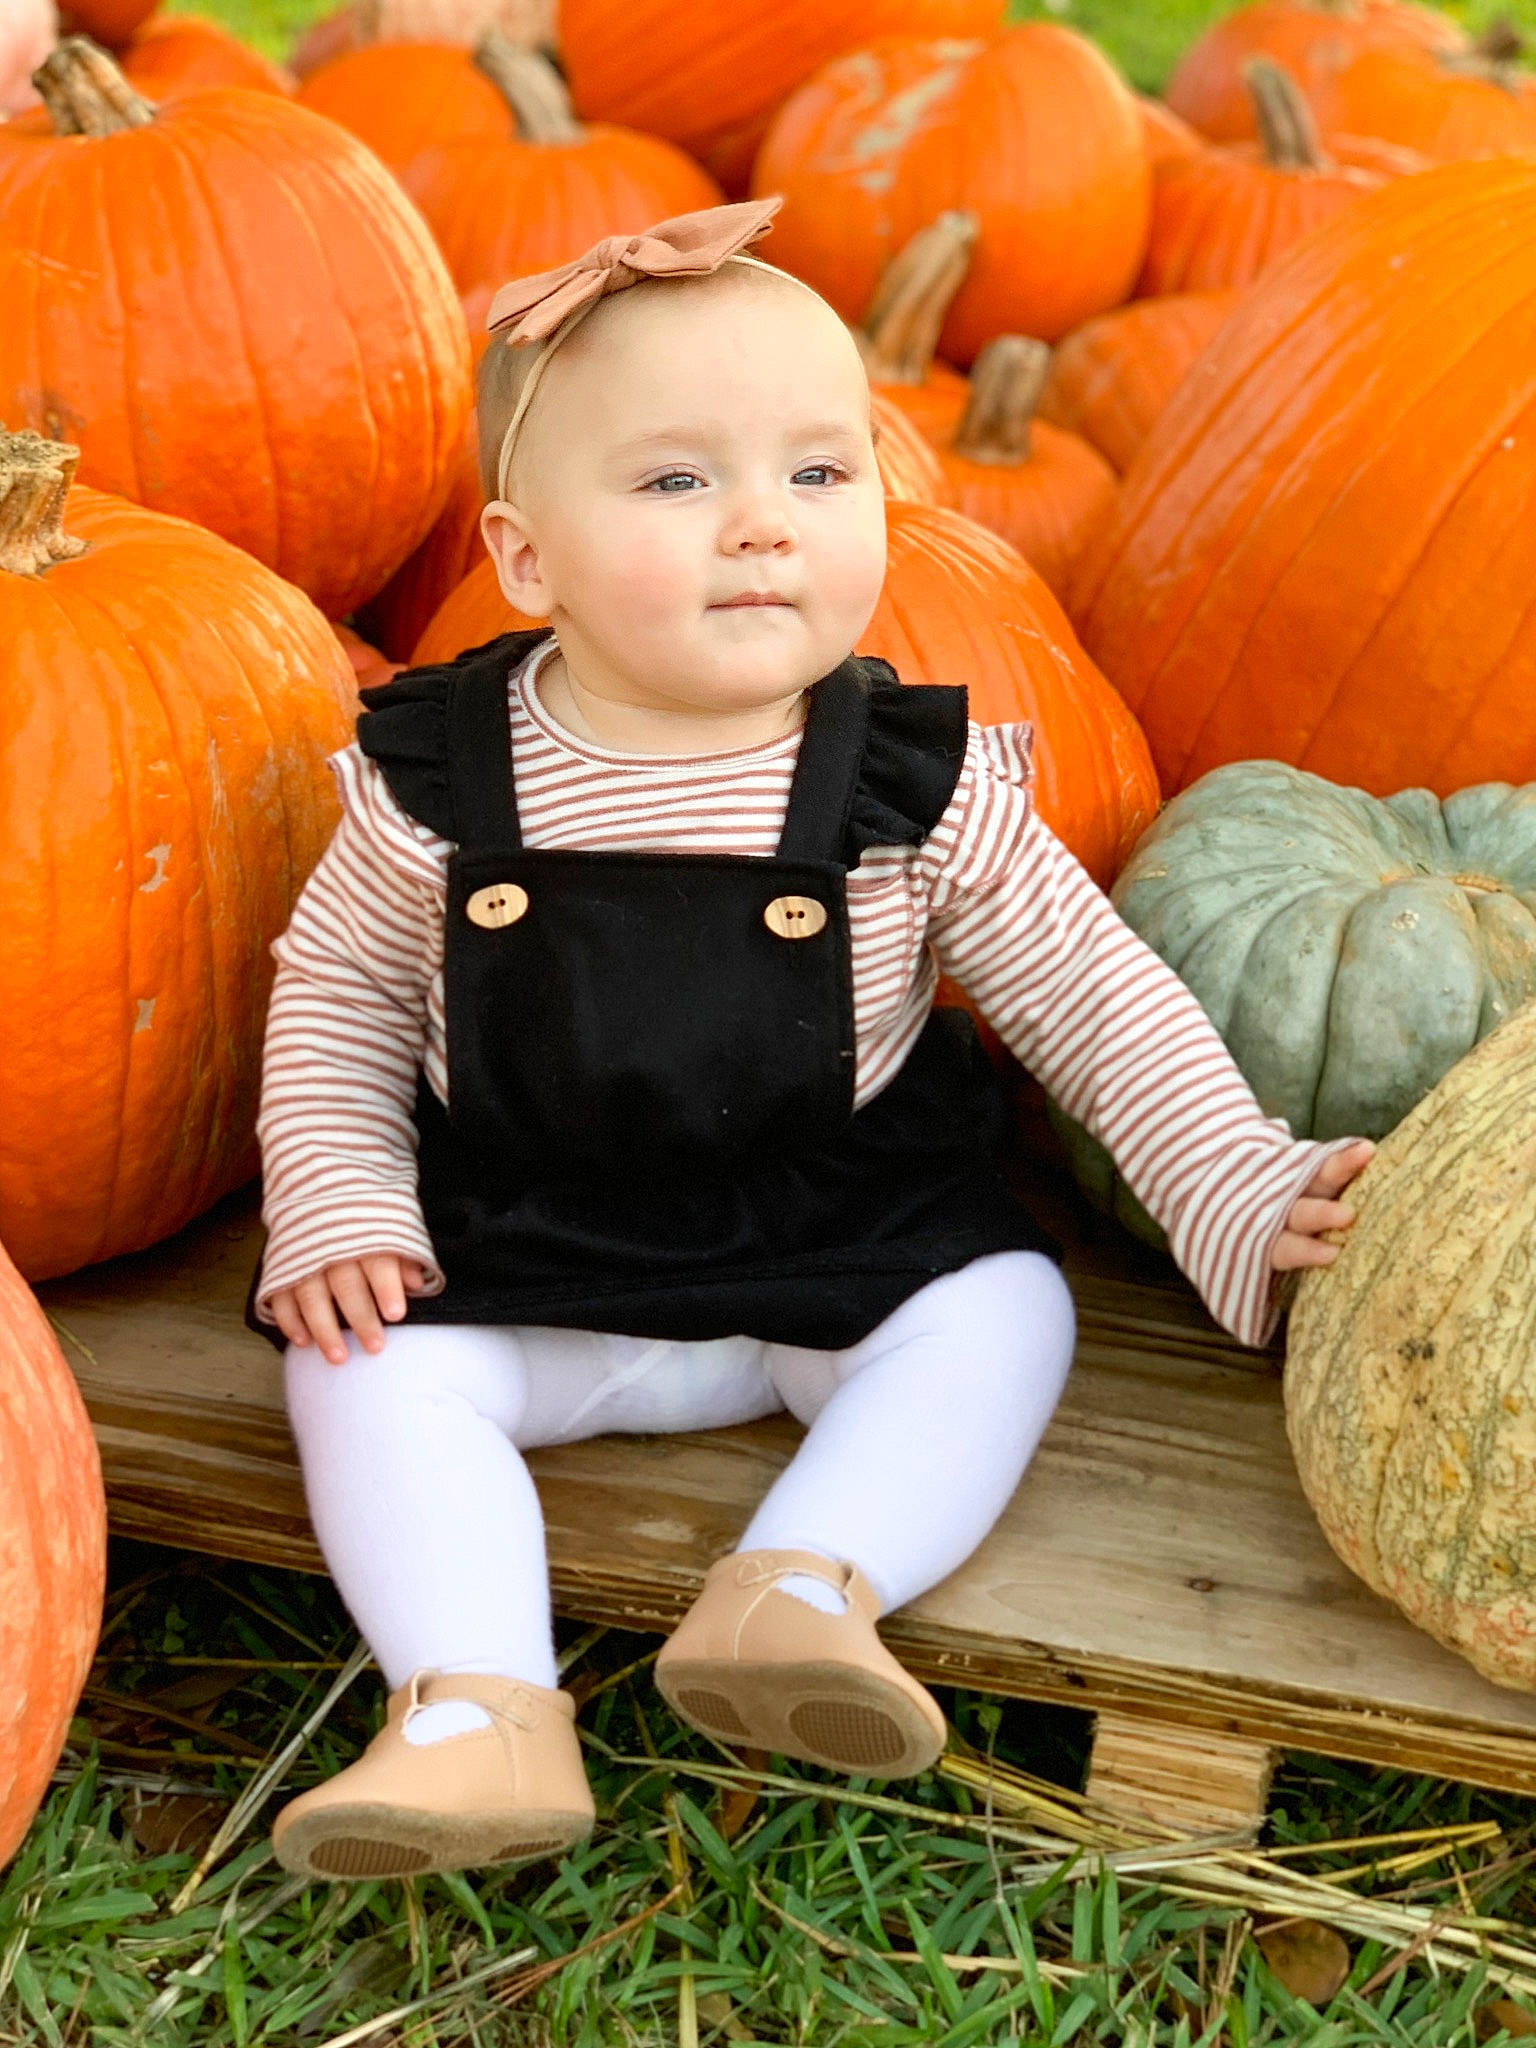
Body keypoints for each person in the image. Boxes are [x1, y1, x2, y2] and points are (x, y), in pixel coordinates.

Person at [245, 199, 1373, 1884]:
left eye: (820, 475)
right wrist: (337, 1197)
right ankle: (475, 1708)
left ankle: (801, 1592)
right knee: (359, 1373)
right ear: (525, 556)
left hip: (836, 1243)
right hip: (530, 1251)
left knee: (1004, 1310)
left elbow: (1090, 989)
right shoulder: (436, 781)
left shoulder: (910, 788)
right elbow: (334, 1000)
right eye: (679, 482)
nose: (763, 526)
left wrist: (1229, 1172)